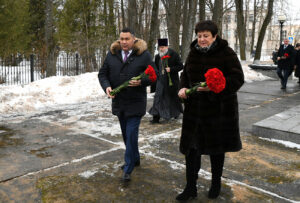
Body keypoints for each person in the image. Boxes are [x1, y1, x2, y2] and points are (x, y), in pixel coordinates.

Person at [177, 20, 244, 200]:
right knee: (191, 150)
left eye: (206, 36)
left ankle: (216, 184)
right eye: (199, 36)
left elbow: (237, 78)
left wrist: (216, 88)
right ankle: (190, 188)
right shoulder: (193, 53)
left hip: (218, 112)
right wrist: (183, 88)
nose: (202, 39)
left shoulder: (226, 53)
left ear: (215, 36)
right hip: (194, 112)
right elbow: (185, 75)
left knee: (216, 151)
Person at [98, 28, 156, 181]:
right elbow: (102, 74)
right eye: (121, 39)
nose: (123, 42)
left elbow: (154, 75)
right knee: (126, 135)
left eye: (127, 39)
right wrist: (107, 87)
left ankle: (128, 167)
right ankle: (135, 158)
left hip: (135, 103)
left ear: (134, 40)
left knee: (131, 134)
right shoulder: (112, 54)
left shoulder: (144, 55)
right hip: (119, 102)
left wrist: (142, 81)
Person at [149, 38, 183, 123]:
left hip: (170, 82)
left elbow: (180, 66)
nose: (161, 49)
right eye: (160, 47)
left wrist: (171, 69)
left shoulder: (174, 54)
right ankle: (155, 117)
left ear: (167, 46)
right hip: (160, 81)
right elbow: (156, 68)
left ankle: (174, 113)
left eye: (163, 47)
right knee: (158, 98)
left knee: (170, 99)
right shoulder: (157, 57)